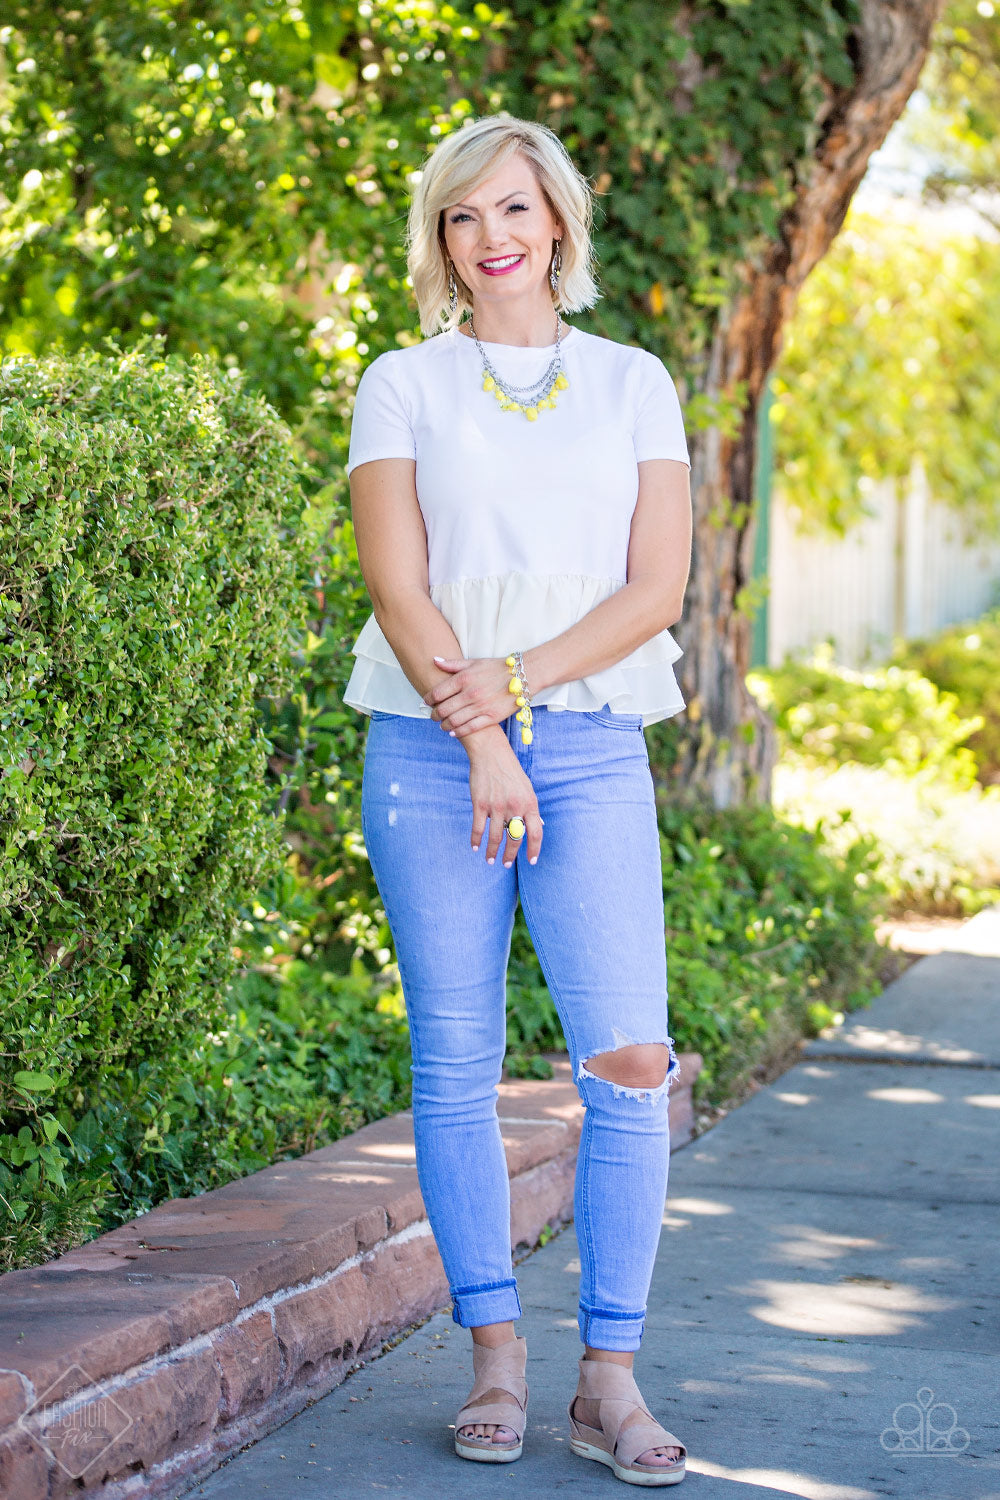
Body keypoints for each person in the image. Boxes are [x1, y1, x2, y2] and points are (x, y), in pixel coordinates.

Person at [344, 112, 692, 1487]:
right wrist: (482, 731)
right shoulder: (403, 383)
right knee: (456, 1064)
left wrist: (520, 696)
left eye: (511, 212)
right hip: (432, 755)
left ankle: (610, 1379)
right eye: (461, 218)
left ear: (557, 223)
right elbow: (399, 583)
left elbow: (654, 591)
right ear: (441, 241)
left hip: (593, 746)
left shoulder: (632, 382)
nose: (490, 240)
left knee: (628, 1063)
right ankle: (496, 1355)